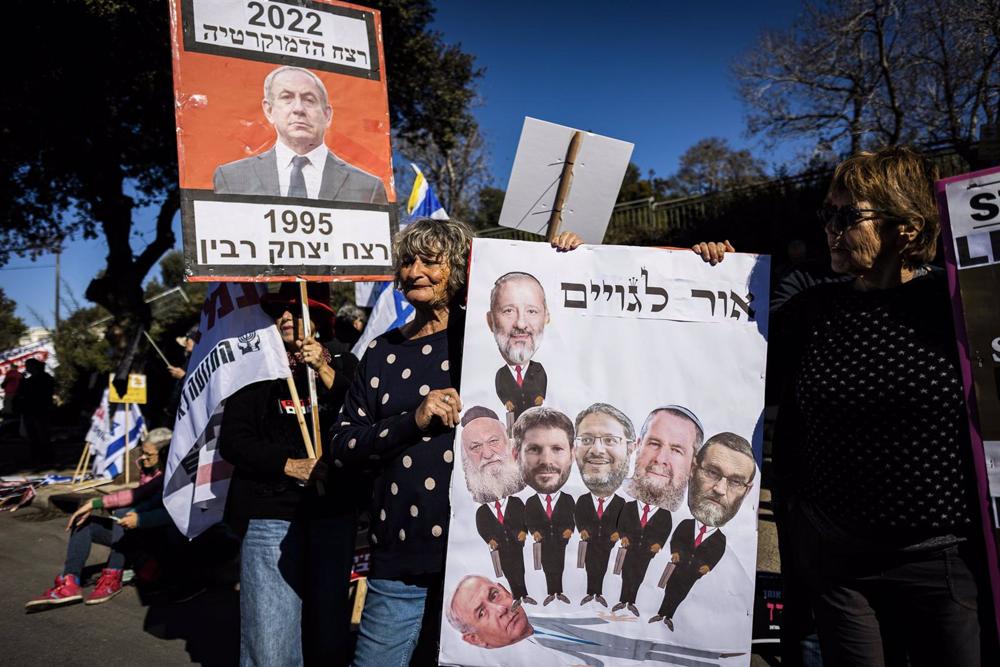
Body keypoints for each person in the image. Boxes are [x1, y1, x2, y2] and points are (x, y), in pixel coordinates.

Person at [696, 145, 990, 666]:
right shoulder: (812, 311)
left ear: (906, 225)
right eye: (827, 214)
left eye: (848, 215)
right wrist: (703, 271)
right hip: (837, 568)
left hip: (939, 564)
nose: (830, 227)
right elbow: (717, 349)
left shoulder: (959, 307)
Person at [331, 218, 582, 666]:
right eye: (407, 261)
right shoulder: (381, 353)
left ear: (461, 269)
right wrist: (414, 420)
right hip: (400, 556)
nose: (415, 271)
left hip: (482, 560)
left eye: (431, 260)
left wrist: (562, 261)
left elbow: (574, 341)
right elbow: (344, 444)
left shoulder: (490, 341)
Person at [218, 288, 357, 666]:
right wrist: (288, 464)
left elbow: (366, 417)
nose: (286, 319)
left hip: (332, 514)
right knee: (271, 634)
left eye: (296, 311)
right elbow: (233, 441)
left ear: (320, 321)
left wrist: (325, 371)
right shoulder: (254, 371)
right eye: (280, 312)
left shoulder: (346, 363)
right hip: (271, 515)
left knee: (327, 630)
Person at [25, 428, 174, 611]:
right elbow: (137, 497)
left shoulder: (172, 477)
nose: (143, 457)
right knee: (85, 522)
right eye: (142, 452)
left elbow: (147, 501)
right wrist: (94, 504)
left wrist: (132, 515)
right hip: (136, 534)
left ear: (165, 454)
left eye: (148, 454)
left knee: (122, 511)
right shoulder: (148, 470)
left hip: (157, 540)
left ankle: (113, 577)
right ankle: (70, 582)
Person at [213, 65, 388, 204]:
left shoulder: (368, 188)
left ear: (327, 114)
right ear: (269, 110)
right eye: (287, 97)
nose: (298, 109)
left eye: (309, 100)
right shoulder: (231, 178)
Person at [650, 432, 755, 630]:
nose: (720, 489)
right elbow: (677, 539)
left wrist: (706, 567)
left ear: (747, 491)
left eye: (735, 482)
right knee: (669, 590)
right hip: (677, 568)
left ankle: (669, 616)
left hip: (692, 576)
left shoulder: (721, 540)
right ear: (692, 469)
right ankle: (660, 613)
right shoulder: (685, 525)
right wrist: (675, 554)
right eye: (712, 472)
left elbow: (715, 555)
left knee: (681, 594)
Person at [613, 406, 703, 616]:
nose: (661, 458)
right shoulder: (614, 502)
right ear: (637, 446)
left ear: (693, 465)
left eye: (676, 450)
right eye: (654, 443)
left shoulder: (683, 521)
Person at [462, 406, 532, 607]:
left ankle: (523, 594)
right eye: (475, 447)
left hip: (517, 547)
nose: (487, 454)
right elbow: (483, 526)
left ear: (509, 444)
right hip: (501, 549)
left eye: (493, 442)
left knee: (520, 568)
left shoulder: (520, 497)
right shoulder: (481, 509)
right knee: (509, 571)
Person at [573, 403, 634, 607]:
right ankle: (593, 593)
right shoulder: (579, 501)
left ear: (631, 448)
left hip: (609, 548)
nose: (597, 450)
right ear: (574, 448)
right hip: (589, 546)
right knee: (592, 568)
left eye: (610, 440)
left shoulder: (626, 506)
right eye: (587, 440)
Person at [488, 272, 549, 423]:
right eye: (508, 311)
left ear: (546, 317)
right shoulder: (500, 374)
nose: (521, 324)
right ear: (491, 321)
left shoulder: (540, 369)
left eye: (531, 311)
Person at [445, 575, 535, 649]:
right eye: (482, 613)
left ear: (506, 591)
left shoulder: (542, 621)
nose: (501, 610)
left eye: (494, 595)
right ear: (475, 639)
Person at [16, 358, 54, 464]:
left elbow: (27, 392)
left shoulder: (40, 379)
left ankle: (44, 456)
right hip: (33, 410)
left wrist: (23, 382)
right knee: (34, 434)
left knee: (40, 434)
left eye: (28, 366)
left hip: (38, 409)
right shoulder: (40, 379)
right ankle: (39, 456)